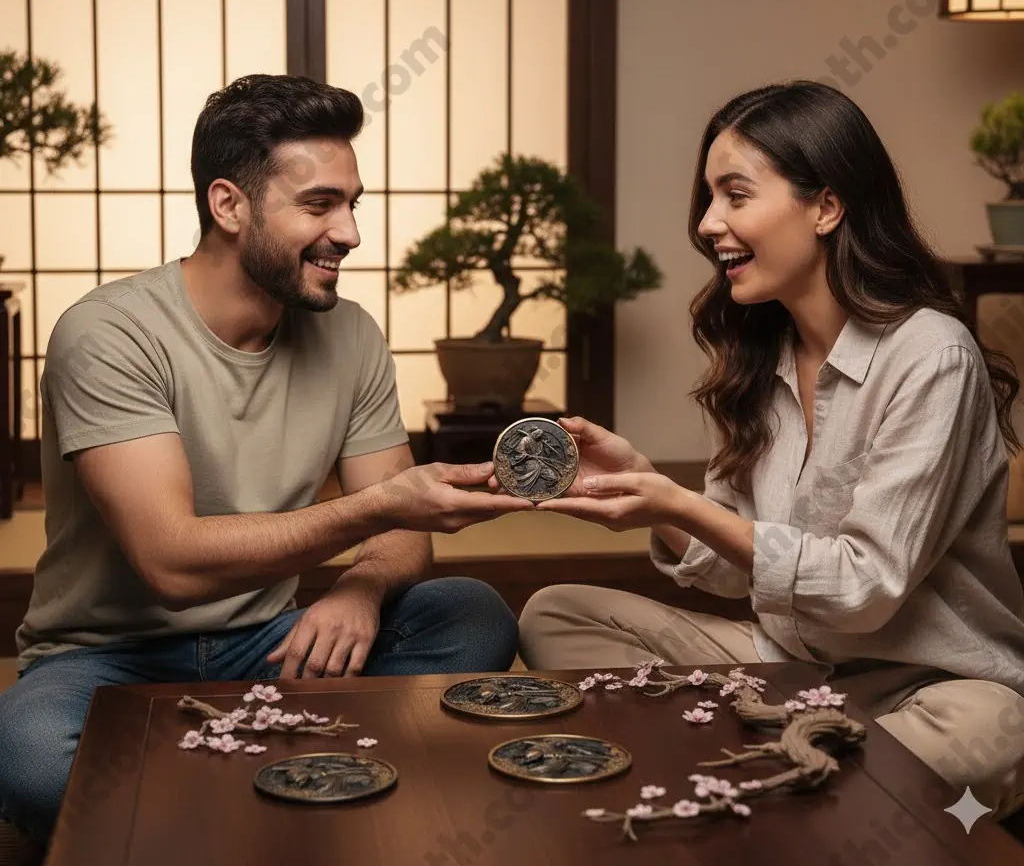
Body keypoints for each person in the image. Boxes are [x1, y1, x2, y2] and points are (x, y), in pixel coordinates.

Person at [0, 73, 534, 846]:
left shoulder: (350, 335)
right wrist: (381, 508)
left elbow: (403, 537)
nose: (349, 232)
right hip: (108, 661)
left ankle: (208, 790)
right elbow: (171, 563)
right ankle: (300, 782)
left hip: (272, 645)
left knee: (471, 612)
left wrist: (359, 588)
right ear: (229, 206)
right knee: (31, 756)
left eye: (354, 204)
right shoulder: (109, 334)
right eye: (319, 205)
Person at [512, 80, 1024, 822]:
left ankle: (797, 769)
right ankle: (810, 763)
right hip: (787, 671)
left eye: (735, 195)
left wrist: (678, 502)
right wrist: (646, 493)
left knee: (981, 732)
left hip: (935, 685)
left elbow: (866, 587)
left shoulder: (929, 355)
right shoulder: (762, 356)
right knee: (555, 614)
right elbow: (729, 569)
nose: (707, 222)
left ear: (826, 205)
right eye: (708, 198)